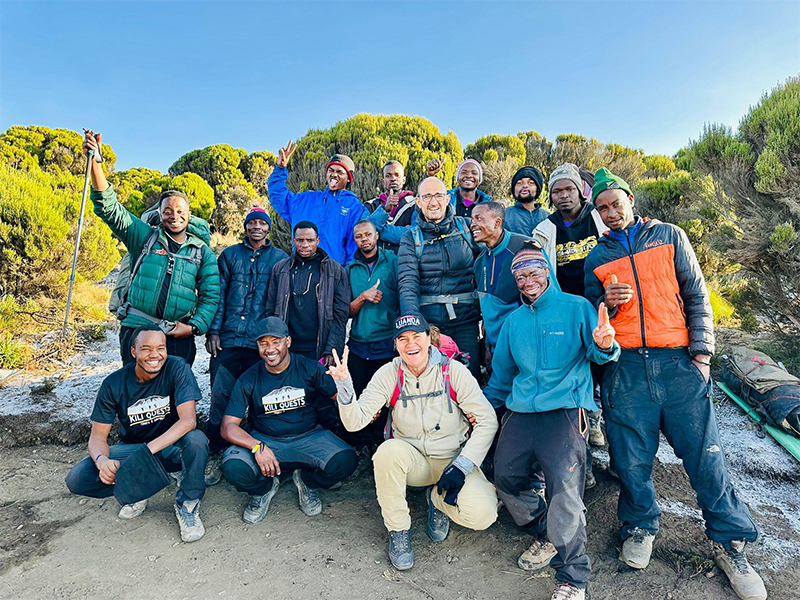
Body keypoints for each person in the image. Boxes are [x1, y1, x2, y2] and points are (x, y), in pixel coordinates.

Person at [584, 168, 766, 600]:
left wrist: (702, 356)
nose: (610, 212)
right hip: (625, 367)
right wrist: (604, 302)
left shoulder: (669, 236)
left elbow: (697, 296)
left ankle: (730, 542)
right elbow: (592, 312)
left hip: (678, 361)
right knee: (630, 459)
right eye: (602, 208)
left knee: (706, 458)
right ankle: (639, 526)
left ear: (630, 200)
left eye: (615, 203)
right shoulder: (596, 258)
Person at [484, 244, 620, 600]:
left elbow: (600, 353)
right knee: (506, 478)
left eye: (533, 273)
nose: (527, 281)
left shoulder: (576, 308)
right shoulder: (513, 322)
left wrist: (605, 345)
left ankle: (573, 580)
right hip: (520, 412)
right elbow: (502, 377)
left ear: (547, 272)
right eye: (520, 277)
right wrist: (479, 410)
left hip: (564, 411)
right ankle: (547, 530)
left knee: (564, 491)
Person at [327, 313, 499, 571]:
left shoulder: (453, 371)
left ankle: (437, 501)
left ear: (429, 338)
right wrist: (344, 385)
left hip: (452, 462)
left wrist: (463, 465)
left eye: (417, 336)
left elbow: (487, 421)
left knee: (483, 514)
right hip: (413, 461)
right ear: (395, 345)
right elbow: (355, 422)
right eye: (403, 339)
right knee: (386, 452)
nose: (411, 344)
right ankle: (398, 530)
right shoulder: (389, 373)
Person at [82, 131, 220, 366]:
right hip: (137, 329)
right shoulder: (143, 237)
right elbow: (110, 208)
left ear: (189, 215)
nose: (174, 216)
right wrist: (96, 163)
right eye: (167, 211)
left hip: (177, 336)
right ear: (160, 214)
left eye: (180, 211)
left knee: (177, 387)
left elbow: (211, 295)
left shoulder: (202, 253)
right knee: (137, 386)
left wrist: (193, 327)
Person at [65, 325, 209, 543]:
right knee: (78, 478)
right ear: (133, 352)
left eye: (160, 348)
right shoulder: (113, 384)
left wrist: (147, 452)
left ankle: (187, 503)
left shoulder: (177, 368)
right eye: (146, 348)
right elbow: (97, 437)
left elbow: (188, 421)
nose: (154, 355)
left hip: (170, 447)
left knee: (197, 440)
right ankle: (138, 490)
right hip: (133, 449)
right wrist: (102, 461)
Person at [220, 317, 357, 523]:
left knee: (346, 460)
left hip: (309, 437)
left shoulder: (309, 367)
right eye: (263, 343)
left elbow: (342, 399)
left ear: (288, 341)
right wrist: (257, 447)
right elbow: (228, 426)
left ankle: (307, 482)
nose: (270, 349)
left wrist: (345, 383)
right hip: (266, 440)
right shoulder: (249, 377)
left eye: (276, 342)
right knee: (233, 467)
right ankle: (264, 489)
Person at [203, 206, 287, 485]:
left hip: (259, 343)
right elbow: (218, 296)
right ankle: (215, 450)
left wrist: (277, 340)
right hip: (228, 339)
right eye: (252, 223)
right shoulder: (229, 255)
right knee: (221, 396)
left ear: (269, 228)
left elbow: (280, 302)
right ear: (246, 227)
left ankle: (253, 448)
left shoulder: (279, 259)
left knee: (259, 398)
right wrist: (213, 331)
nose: (257, 227)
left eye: (262, 223)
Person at [534, 162, 609, 453]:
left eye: (569, 189)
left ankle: (601, 417)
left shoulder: (599, 217)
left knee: (603, 362)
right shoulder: (545, 229)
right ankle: (586, 421)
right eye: (557, 191)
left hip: (602, 303)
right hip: (567, 308)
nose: (563, 195)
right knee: (577, 363)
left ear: (580, 191)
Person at [266, 221, 350, 433]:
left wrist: (331, 348)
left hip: (320, 347)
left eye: (309, 240)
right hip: (289, 348)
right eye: (300, 240)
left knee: (324, 398)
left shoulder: (334, 270)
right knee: (292, 397)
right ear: (293, 241)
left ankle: (332, 440)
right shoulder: (280, 269)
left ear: (318, 241)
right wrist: (275, 345)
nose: (304, 245)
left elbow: (341, 315)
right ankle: (295, 438)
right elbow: (271, 310)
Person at [397, 177, 481, 379]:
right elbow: (408, 284)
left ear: (448, 199)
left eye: (438, 196)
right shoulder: (411, 238)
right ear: (418, 202)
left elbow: (492, 251)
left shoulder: (466, 228)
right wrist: (416, 329)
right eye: (427, 196)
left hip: (465, 320)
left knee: (469, 380)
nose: (433, 202)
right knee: (432, 381)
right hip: (429, 323)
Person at [267, 141, 389, 265]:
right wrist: (280, 169)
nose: (334, 174)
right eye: (331, 170)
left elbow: (353, 245)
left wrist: (346, 271)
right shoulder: (307, 198)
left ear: (348, 179)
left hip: (332, 270)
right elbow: (278, 197)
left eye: (340, 172)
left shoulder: (354, 206)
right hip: (301, 267)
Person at [471, 202, 556, 374]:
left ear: (497, 223)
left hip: (528, 351)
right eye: (472, 219)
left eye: (479, 218)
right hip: (497, 354)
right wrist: (488, 345)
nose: (473, 224)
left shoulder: (525, 247)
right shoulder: (480, 261)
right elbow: (487, 311)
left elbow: (551, 298)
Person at [345, 219, 400, 449]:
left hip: (386, 343)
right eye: (359, 236)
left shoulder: (394, 261)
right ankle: (360, 447)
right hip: (358, 345)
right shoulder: (349, 269)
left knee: (386, 398)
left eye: (368, 234)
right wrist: (362, 297)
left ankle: (382, 445)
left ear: (377, 235)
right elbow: (346, 310)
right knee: (360, 396)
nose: (364, 239)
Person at [363, 160, 416, 252]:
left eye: (397, 175)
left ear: (404, 180)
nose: (393, 178)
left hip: (404, 258)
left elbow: (415, 234)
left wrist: (378, 231)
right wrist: (385, 210)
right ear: (383, 181)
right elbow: (364, 231)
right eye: (388, 175)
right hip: (377, 259)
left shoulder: (414, 204)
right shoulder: (370, 205)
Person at [426, 157, 492, 217]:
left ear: (479, 179)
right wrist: (429, 175)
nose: (469, 175)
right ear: (457, 178)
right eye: (464, 172)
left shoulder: (489, 205)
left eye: (474, 173)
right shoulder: (444, 199)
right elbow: (427, 200)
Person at [504, 166, 550, 235]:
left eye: (531, 183)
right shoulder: (504, 216)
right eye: (519, 183)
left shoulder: (547, 218)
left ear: (538, 189)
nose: (525, 186)